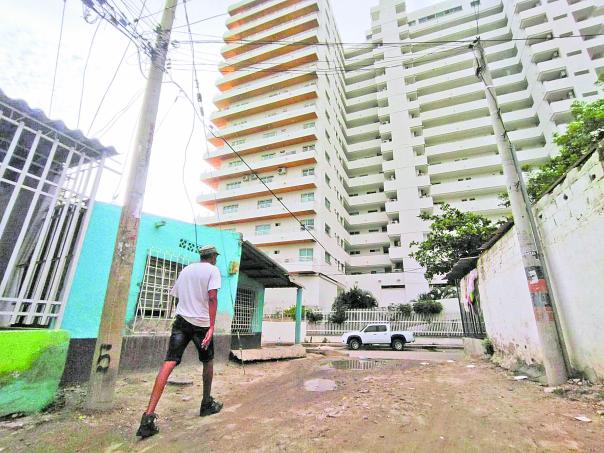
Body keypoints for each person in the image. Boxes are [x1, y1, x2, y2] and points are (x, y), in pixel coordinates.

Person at [136, 245, 224, 439]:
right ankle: (206, 403)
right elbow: (212, 298)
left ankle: (148, 417)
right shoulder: (213, 270)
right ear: (213, 257)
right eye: (215, 257)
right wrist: (211, 326)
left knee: (169, 361)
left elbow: (176, 297)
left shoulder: (186, 270)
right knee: (208, 361)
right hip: (202, 324)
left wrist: (185, 312)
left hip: (181, 321)